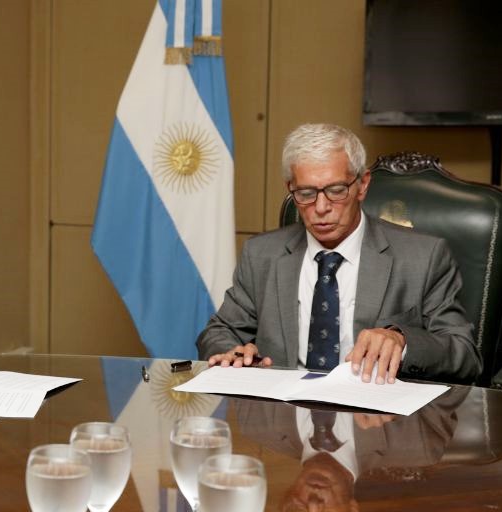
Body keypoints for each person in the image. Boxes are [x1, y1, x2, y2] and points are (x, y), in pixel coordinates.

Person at [197, 123, 480, 385]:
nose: (321, 207)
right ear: (290, 189)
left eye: (336, 190)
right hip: (284, 413)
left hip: (374, 414)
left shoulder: (423, 257)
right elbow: (218, 332)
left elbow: (465, 355)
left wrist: (403, 342)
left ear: (363, 185)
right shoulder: (261, 254)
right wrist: (234, 354)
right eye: (306, 193)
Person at [233, 388, 466, 512]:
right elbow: (461, 371)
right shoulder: (418, 444)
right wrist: (401, 348)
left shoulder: (255, 420)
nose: (313, 503)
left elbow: (229, 337)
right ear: (352, 510)